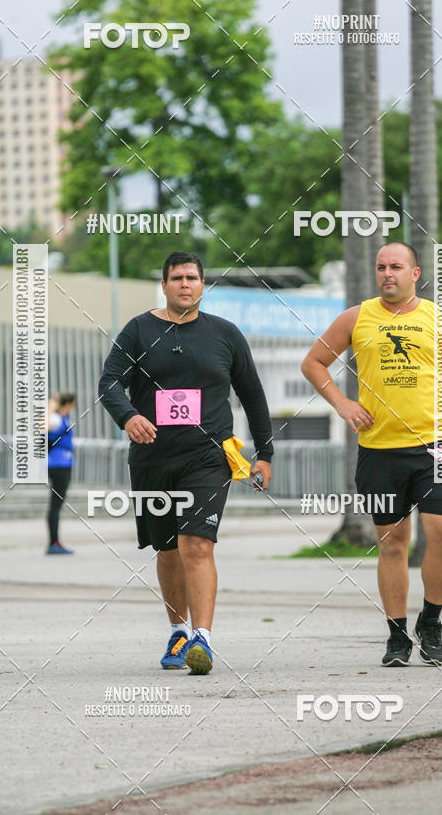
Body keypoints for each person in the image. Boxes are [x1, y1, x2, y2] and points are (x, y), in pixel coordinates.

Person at [301, 241, 442, 667]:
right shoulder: (357, 317)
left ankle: (431, 621)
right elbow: (314, 363)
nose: (387, 273)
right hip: (379, 451)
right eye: (381, 267)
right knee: (392, 544)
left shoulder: (440, 319)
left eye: (396, 266)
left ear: (415, 273)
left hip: (440, 447)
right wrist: (343, 404)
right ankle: (396, 636)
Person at [98, 251, 273, 675]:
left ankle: (203, 639)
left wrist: (265, 453)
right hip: (153, 459)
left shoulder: (225, 335)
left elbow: (252, 395)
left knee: (197, 544)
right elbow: (109, 383)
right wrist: (130, 416)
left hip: (208, 457)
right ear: (164, 284)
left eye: (192, 277)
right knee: (168, 549)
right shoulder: (140, 330)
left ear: (202, 284)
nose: (185, 284)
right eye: (176, 277)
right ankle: (178, 629)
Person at [46, 391, 76, 555]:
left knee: (56, 505)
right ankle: (53, 542)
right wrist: (51, 406)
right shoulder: (56, 418)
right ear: (69, 404)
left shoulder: (60, 418)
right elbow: (44, 426)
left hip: (60, 463)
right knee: (55, 505)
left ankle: (54, 541)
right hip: (59, 465)